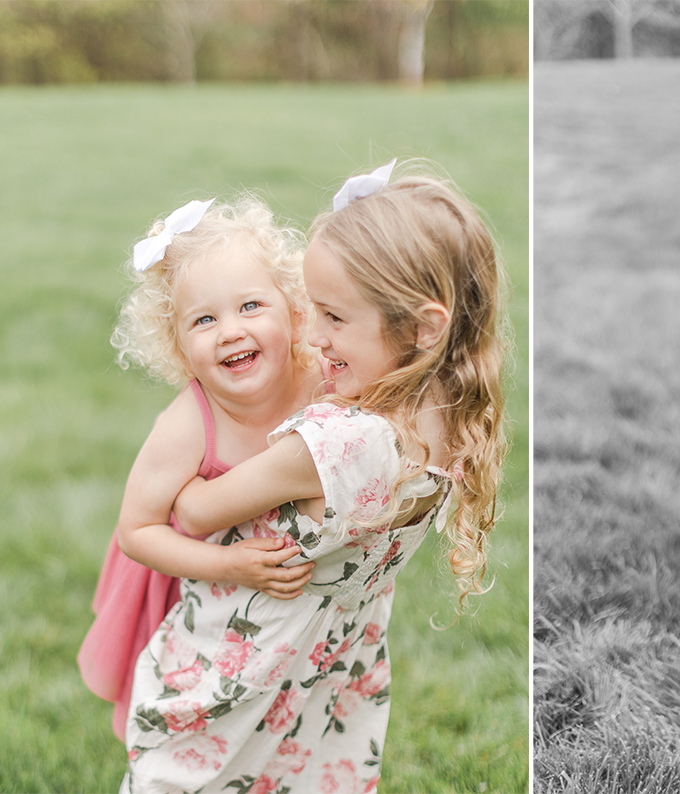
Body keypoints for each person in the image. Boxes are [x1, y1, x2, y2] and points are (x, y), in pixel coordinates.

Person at [119, 161, 507, 793]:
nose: (313, 334)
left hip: (245, 659)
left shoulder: (337, 442)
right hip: (332, 665)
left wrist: (193, 485)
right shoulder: (451, 414)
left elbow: (192, 513)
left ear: (424, 325)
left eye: (331, 316)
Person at [78, 196, 321, 741]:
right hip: (191, 586)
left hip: (288, 604)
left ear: (294, 310)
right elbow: (136, 531)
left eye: (251, 306)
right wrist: (228, 564)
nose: (230, 331)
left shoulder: (320, 382)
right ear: (179, 345)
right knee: (198, 721)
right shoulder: (189, 423)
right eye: (204, 320)